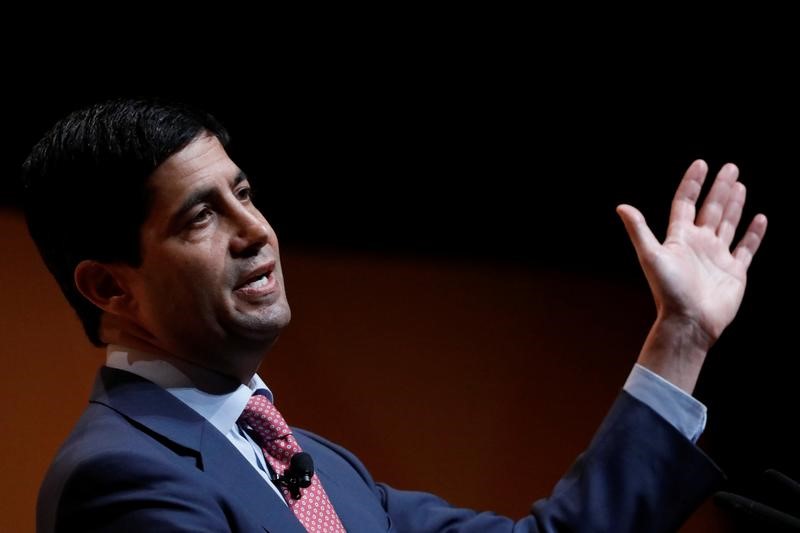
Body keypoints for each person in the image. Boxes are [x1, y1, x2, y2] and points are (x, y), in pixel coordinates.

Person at [24, 98, 767, 533]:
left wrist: (682, 334)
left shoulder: (316, 463)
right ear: (110, 289)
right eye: (199, 217)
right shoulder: (120, 478)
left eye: (244, 194)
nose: (254, 231)